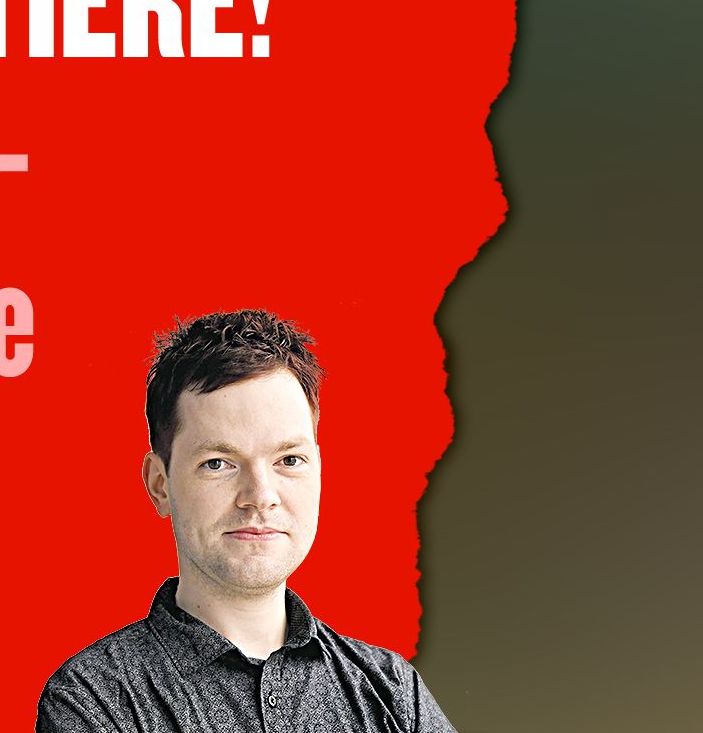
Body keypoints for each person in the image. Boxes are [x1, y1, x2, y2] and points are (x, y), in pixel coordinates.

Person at [37, 311, 455, 732]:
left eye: (288, 460)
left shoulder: (393, 691)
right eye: (217, 463)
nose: (260, 497)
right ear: (160, 485)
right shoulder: (94, 700)